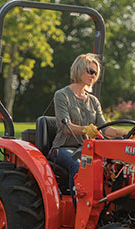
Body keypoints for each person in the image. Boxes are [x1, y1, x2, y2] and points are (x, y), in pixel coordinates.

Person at [52, 53, 126, 193]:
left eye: (96, 73)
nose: (93, 76)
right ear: (79, 69)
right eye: (90, 71)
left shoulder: (93, 101)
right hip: (63, 147)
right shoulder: (62, 95)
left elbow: (104, 129)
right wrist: (86, 130)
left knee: (116, 166)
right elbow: (66, 127)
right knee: (80, 164)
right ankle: (78, 209)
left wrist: (122, 132)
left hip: (87, 149)